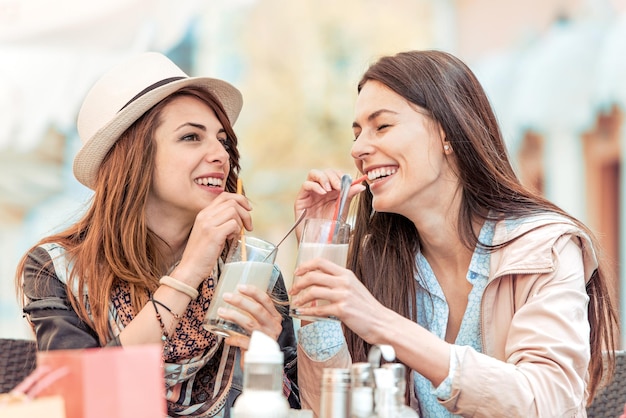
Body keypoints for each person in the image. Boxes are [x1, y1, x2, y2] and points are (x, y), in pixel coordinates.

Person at [290, 50, 619, 417]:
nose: (358, 149)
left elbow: (546, 403)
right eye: (356, 133)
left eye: (381, 126)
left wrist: (381, 323)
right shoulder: (378, 261)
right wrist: (318, 248)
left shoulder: (543, 247)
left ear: (448, 130)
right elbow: (328, 411)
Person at [15, 52, 299, 417]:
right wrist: (190, 271)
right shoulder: (58, 270)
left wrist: (266, 355)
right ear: (135, 158)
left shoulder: (251, 272)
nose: (220, 155)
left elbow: (298, 405)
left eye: (224, 141)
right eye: (191, 137)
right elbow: (78, 399)